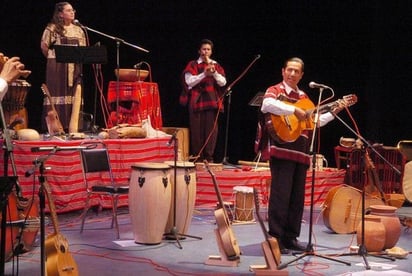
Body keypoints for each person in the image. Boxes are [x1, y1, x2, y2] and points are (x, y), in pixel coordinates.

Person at [257, 57, 344, 254]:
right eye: (290, 70)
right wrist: (293, 110)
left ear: (302, 75)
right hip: (282, 150)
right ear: (283, 71)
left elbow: (316, 121)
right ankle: (276, 238)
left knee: (297, 198)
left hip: (301, 153)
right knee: (281, 195)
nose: (293, 74)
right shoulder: (275, 90)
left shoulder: (305, 98)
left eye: (297, 71)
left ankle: (290, 237)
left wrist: (334, 111)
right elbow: (266, 105)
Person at [40, 2, 86, 133]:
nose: (73, 12)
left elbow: (83, 50)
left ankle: (73, 127)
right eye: (69, 10)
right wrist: (53, 60)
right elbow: (44, 46)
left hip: (75, 68)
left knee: (74, 96)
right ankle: (56, 128)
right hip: (57, 68)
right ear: (60, 14)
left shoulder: (79, 30)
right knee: (57, 94)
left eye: (73, 10)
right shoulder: (52, 28)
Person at [181, 39, 227, 162]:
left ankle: (209, 158)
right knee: (197, 131)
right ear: (199, 51)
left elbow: (223, 83)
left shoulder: (216, 65)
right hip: (197, 101)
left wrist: (214, 72)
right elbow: (189, 81)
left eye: (208, 49)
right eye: (203, 49)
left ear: (211, 52)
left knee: (211, 131)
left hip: (211, 101)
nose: (205, 52)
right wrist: (204, 74)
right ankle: (198, 158)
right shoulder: (193, 64)